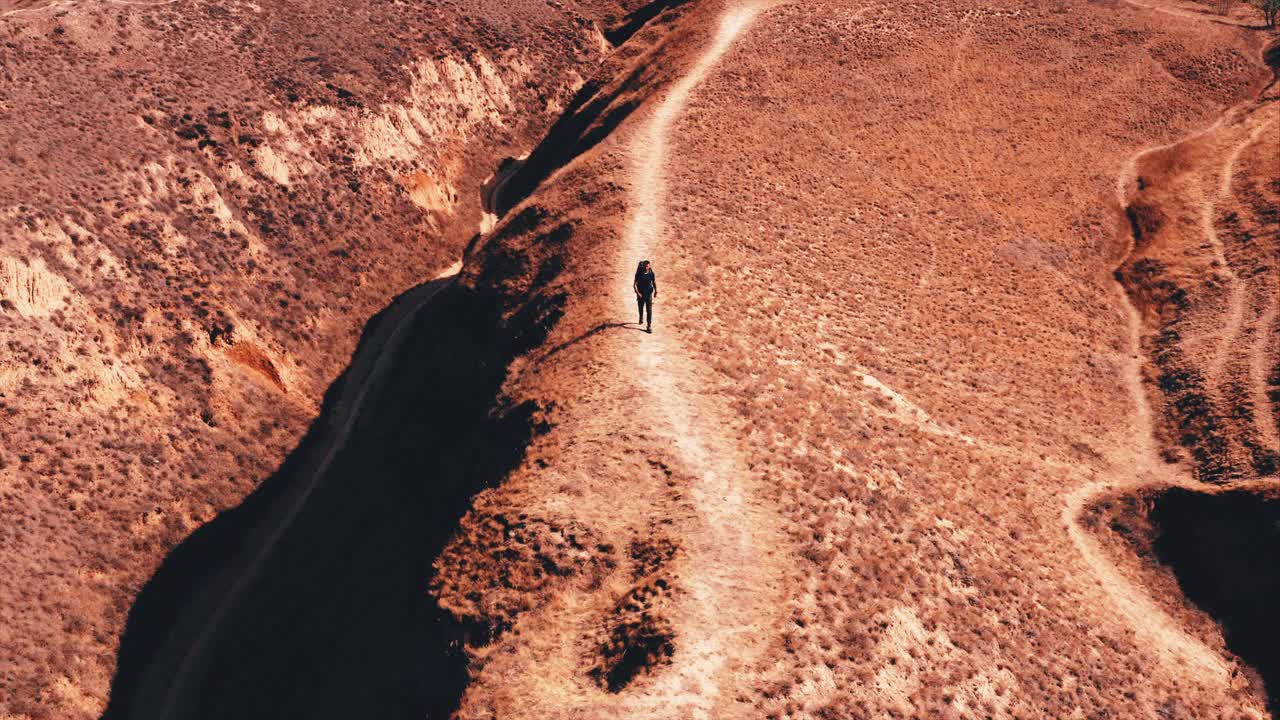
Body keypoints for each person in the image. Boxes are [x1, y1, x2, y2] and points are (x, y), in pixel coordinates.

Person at [633, 260, 657, 333]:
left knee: (649, 310)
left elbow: (654, 282)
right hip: (641, 294)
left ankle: (649, 326)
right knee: (641, 308)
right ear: (643, 266)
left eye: (648, 266)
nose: (647, 267)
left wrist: (656, 291)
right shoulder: (639, 274)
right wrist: (638, 293)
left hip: (648, 294)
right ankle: (641, 317)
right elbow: (634, 285)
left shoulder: (651, 273)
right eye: (646, 266)